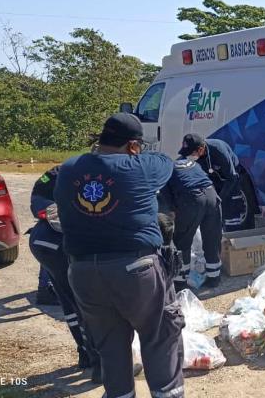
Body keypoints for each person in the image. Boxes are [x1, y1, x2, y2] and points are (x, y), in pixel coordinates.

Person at [55, 113, 184, 398]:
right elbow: (166, 162)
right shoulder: (142, 167)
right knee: (160, 338)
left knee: (111, 347)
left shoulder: (69, 168)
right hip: (135, 270)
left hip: (84, 272)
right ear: (134, 146)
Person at [28, 166, 99, 372]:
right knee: (83, 302)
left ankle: (85, 354)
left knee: (68, 298)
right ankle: (97, 362)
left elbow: (37, 201)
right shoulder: (92, 178)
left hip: (41, 241)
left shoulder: (61, 172)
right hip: (59, 243)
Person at [160, 152, 223, 289]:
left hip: (192, 199)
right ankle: (214, 277)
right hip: (212, 195)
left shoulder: (164, 171)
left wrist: (174, 213)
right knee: (212, 237)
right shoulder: (188, 163)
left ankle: (181, 281)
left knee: (182, 240)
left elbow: (167, 199)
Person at [179, 135, 242, 232]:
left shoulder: (219, 151)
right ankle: (216, 231)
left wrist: (219, 198)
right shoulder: (192, 154)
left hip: (230, 176)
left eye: (190, 153)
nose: (188, 156)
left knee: (229, 203)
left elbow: (232, 178)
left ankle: (233, 232)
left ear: (200, 150)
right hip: (212, 175)